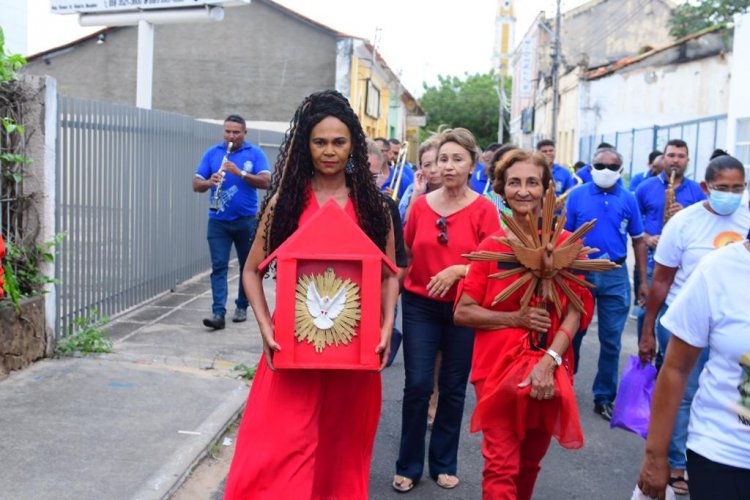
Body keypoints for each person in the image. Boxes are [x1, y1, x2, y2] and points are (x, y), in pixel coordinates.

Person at [223, 90, 399, 499]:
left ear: (353, 143)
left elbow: (391, 275)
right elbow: (251, 271)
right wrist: (265, 328)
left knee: (340, 461)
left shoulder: (374, 206)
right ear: (306, 144)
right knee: (275, 457)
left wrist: (387, 326)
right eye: (320, 141)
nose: (329, 151)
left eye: (339, 141)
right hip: (289, 354)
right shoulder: (284, 203)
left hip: (354, 360)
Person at [453, 149, 594, 500]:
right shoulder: (492, 248)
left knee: (530, 463)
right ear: (501, 189)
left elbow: (575, 311)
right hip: (496, 370)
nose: (523, 190)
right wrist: (514, 318)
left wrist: (549, 362)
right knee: (500, 464)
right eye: (514, 182)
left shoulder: (565, 245)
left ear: (547, 189)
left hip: (551, 366)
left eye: (533, 182)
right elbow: (463, 312)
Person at [393, 128, 500, 493]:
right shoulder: (421, 205)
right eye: (443, 159)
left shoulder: (485, 209)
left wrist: (459, 270)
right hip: (419, 304)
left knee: (453, 388)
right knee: (418, 384)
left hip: (463, 308)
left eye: (457, 159)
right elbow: (404, 254)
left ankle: (443, 463)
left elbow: (494, 264)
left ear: (472, 164)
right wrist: (387, 298)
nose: (449, 166)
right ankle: (408, 465)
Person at [637, 155, 750, 495]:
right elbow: (662, 279)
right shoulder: (713, 259)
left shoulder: (741, 218)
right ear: (706, 188)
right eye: (723, 188)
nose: (730, 194)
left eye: (737, 188)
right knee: (687, 395)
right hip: (725, 454)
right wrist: (656, 457)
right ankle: (678, 462)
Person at [564, 147, 649, 420]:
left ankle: (604, 397)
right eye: (600, 165)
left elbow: (638, 239)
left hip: (615, 273)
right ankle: (564, 385)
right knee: (572, 334)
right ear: (591, 167)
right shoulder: (577, 196)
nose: (605, 171)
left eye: (612, 167)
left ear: (621, 171)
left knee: (611, 341)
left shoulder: (628, 199)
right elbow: (563, 235)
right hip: (580, 272)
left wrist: (642, 281)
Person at [193, 115, 271, 330]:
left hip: (246, 221)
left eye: (236, 132)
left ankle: (242, 306)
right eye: (228, 131)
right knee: (219, 266)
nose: (231, 136)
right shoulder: (213, 153)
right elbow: (196, 184)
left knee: (248, 266)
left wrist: (241, 173)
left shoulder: (254, 154)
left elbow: (266, 181)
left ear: (245, 133)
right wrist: (210, 182)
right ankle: (218, 312)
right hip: (218, 221)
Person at [635, 139, 706, 348]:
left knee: (678, 316)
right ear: (663, 158)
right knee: (644, 313)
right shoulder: (645, 188)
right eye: (672, 155)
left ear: (688, 160)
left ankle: (667, 360)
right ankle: (645, 353)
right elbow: (634, 224)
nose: (676, 160)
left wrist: (686, 215)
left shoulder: (697, 191)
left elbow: (705, 226)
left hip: (685, 267)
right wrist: (648, 238)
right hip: (652, 262)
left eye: (681, 156)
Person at [367, 138, 408, 367]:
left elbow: (398, 265)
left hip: (375, 301)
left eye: (373, 177)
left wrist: (386, 312)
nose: (367, 182)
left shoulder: (386, 207)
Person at [399, 136, 442, 227]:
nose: (433, 170)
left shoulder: (455, 190)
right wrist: (417, 194)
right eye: (427, 165)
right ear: (420, 168)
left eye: (438, 162)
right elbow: (405, 226)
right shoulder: (412, 189)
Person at [375, 137, 414, 202]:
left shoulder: (402, 178)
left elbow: (411, 206)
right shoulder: (362, 177)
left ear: (388, 153)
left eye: (378, 151)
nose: (374, 154)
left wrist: (397, 201)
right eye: (371, 151)